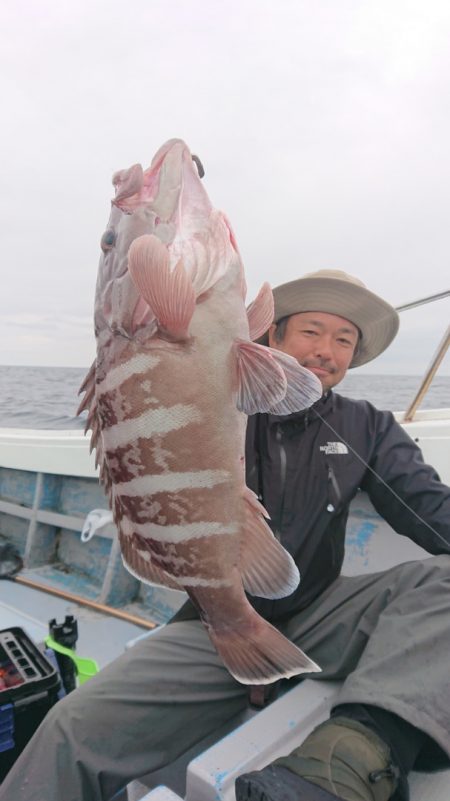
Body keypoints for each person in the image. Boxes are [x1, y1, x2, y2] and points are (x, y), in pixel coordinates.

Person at [1, 270, 449, 801]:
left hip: (323, 610)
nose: (326, 350)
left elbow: (427, 508)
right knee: (68, 727)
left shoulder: (370, 425)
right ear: (272, 337)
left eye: (344, 339)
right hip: (215, 623)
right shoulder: (219, 392)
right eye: (311, 331)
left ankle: (355, 754)